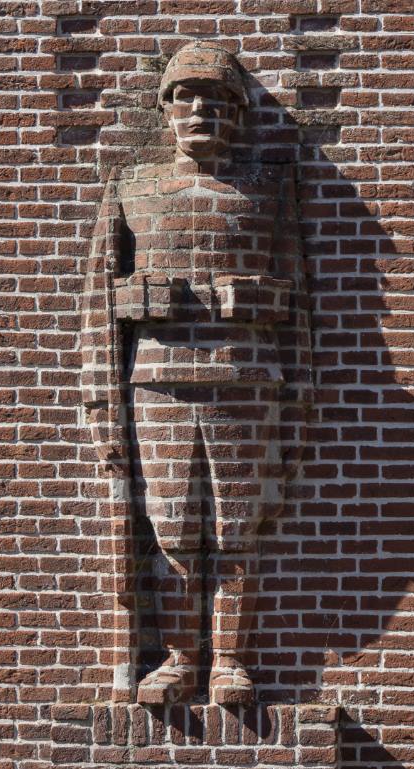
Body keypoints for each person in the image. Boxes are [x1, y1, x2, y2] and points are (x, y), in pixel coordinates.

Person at [80, 41, 311, 706]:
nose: (203, 110)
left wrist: (301, 404)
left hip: (246, 382)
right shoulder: (131, 190)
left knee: (237, 528)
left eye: (218, 100)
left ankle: (231, 661)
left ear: (237, 115)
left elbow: (296, 309)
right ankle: (181, 657)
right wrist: (102, 408)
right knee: (173, 527)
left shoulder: (266, 194)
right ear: (167, 109)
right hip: (157, 382)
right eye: (187, 97)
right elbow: (99, 307)